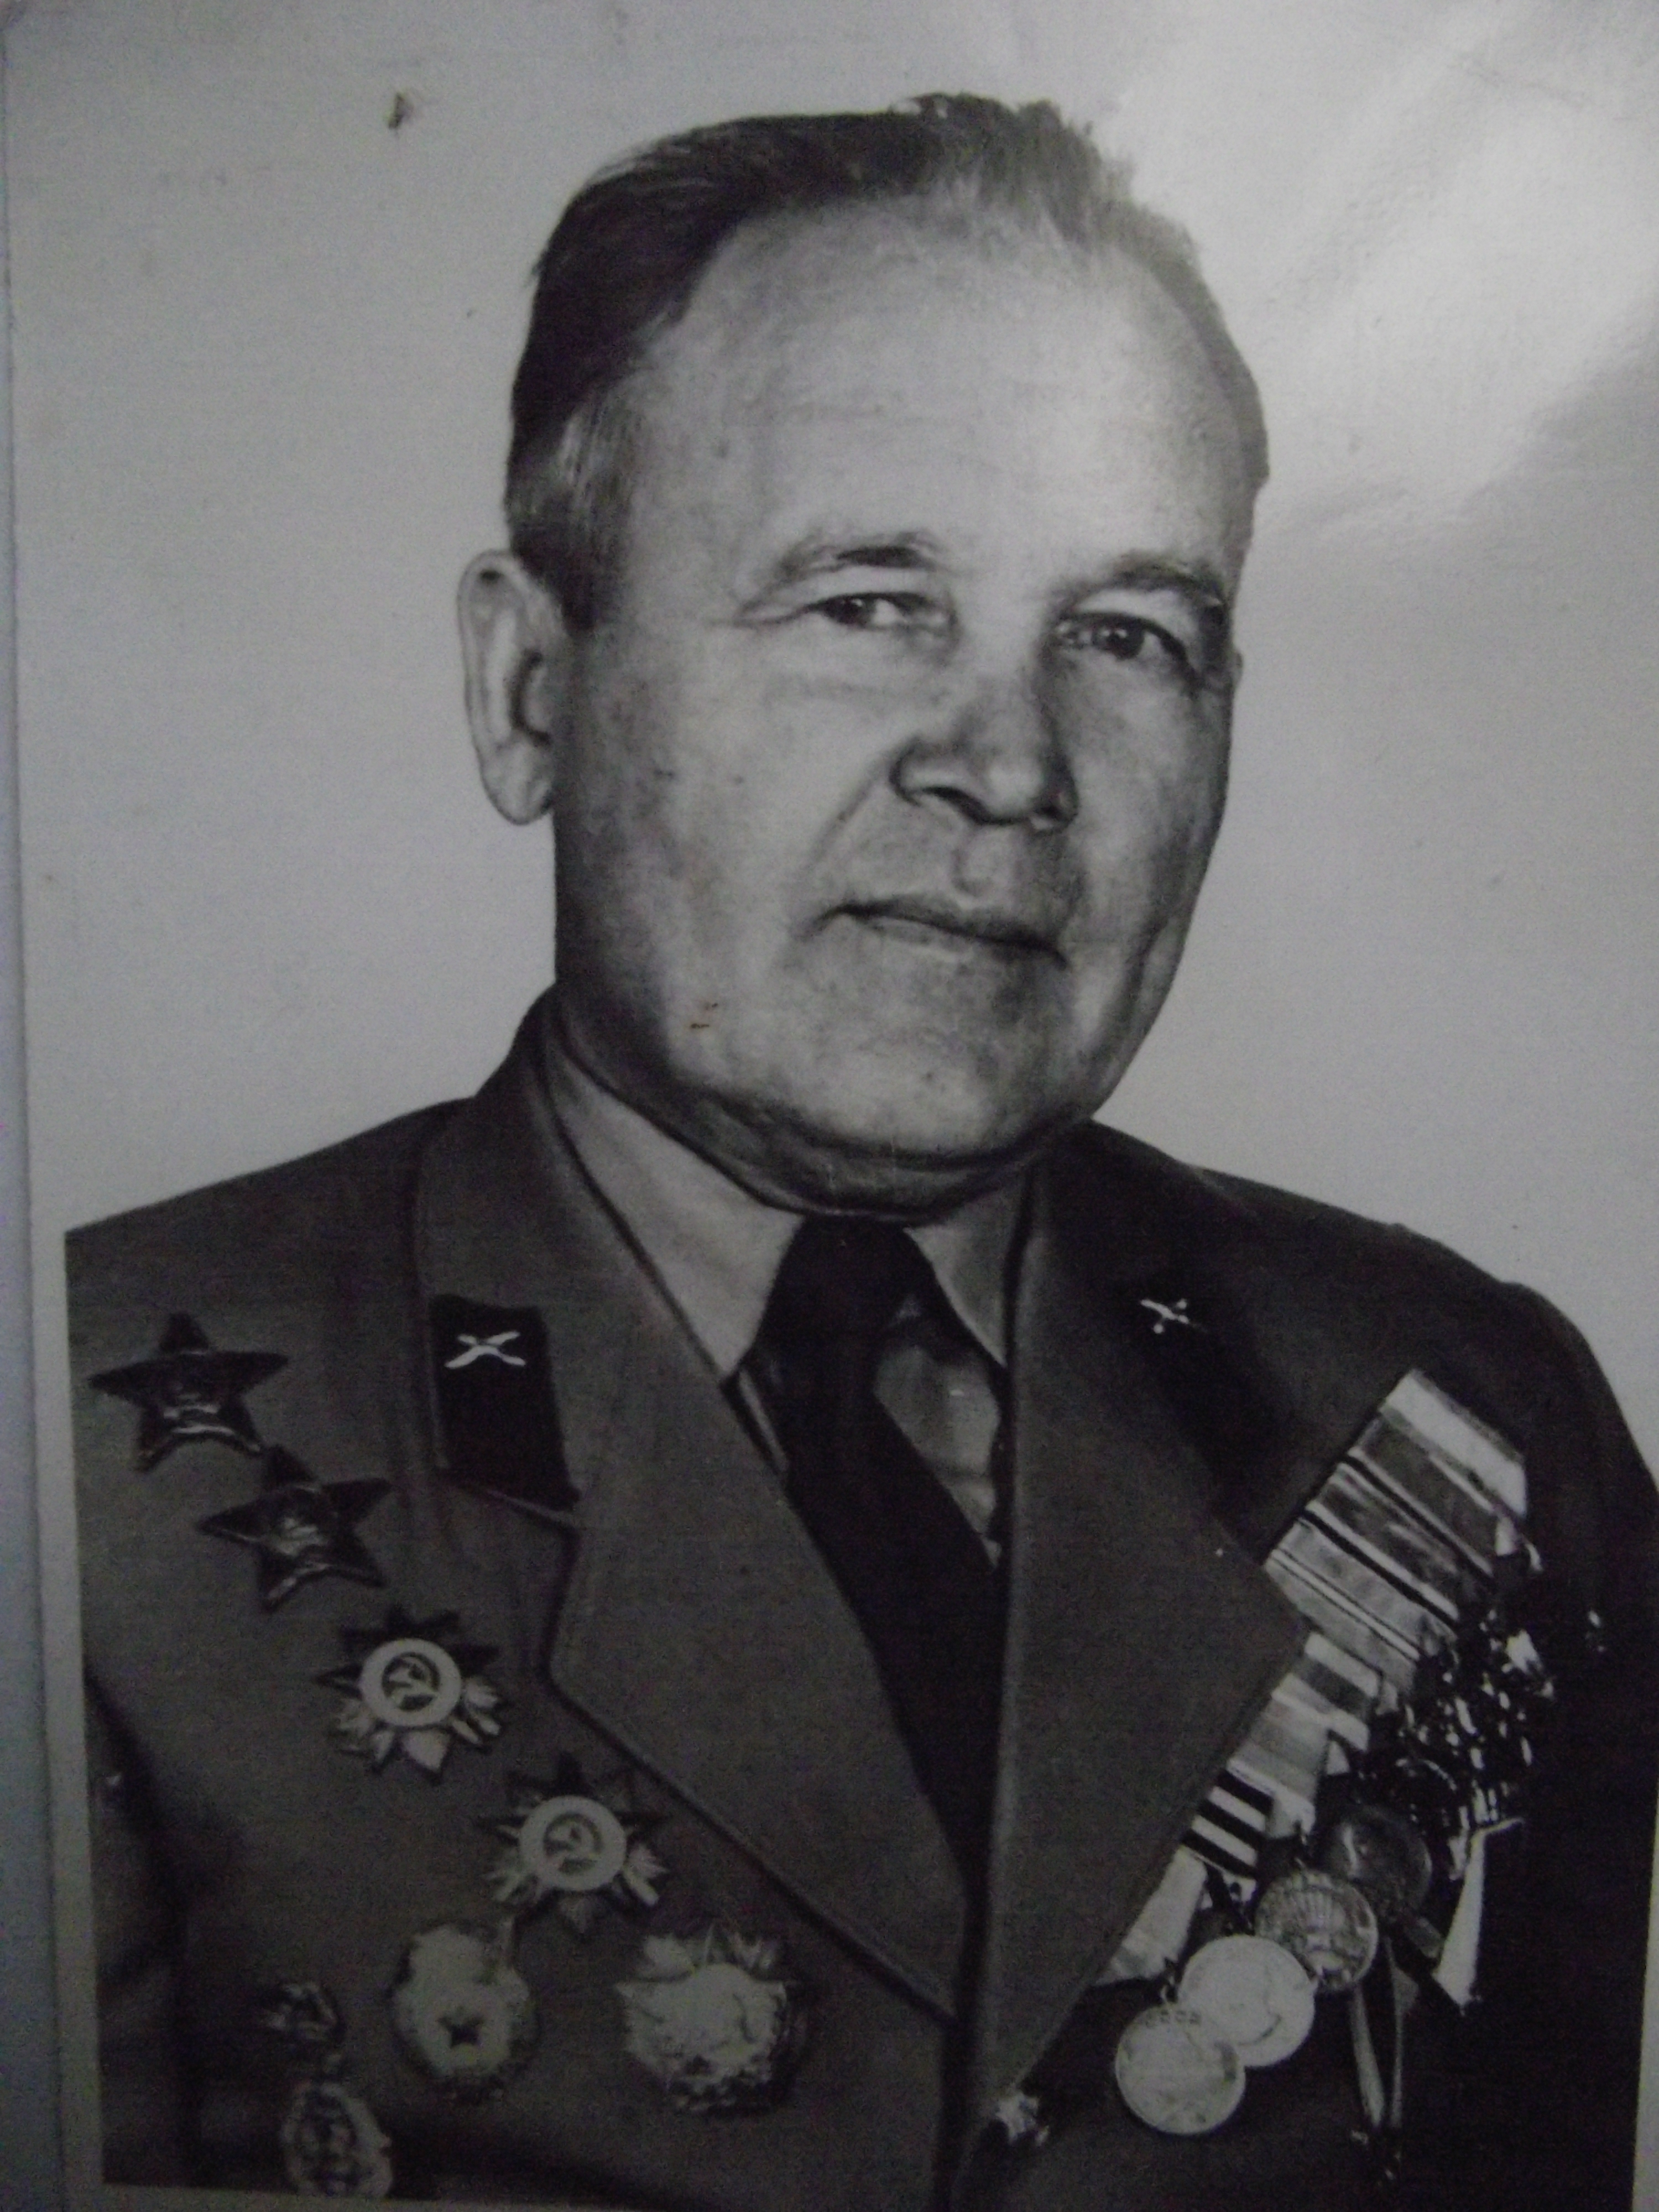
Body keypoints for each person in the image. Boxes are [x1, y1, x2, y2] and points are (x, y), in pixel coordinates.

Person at [68, 95, 1658, 2211]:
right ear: (530, 688)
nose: (1009, 766)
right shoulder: (79, 1467)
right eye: (869, 602)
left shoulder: (1462, 1415)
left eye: (1128, 635)